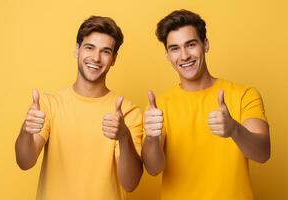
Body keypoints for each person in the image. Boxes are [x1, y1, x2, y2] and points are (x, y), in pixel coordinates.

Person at [142, 9, 270, 200]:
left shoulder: (244, 95)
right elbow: (153, 169)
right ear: (168, 55)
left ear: (206, 45)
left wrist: (234, 129)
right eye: (175, 48)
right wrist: (152, 139)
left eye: (191, 44)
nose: (184, 56)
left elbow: (263, 153)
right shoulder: (158, 106)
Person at [15, 16, 143, 200]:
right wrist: (26, 130)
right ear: (77, 50)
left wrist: (123, 136)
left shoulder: (128, 112)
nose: (96, 58)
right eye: (89, 47)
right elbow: (24, 162)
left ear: (114, 59)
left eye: (105, 51)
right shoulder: (49, 105)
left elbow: (131, 183)